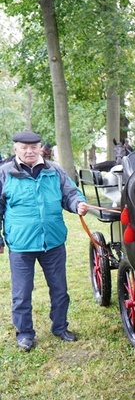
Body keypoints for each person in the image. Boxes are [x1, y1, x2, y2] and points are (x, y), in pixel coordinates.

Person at [0, 131, 90, 351]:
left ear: (40, 148)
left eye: (34, 147)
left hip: (53, 242)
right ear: (16, 149)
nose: (29, 151)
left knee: (60, 289)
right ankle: (25, 334)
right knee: (21, 294)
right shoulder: (4, 173)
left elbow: (70, 193)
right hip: (21, 245)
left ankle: (60, 327)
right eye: (24, 147)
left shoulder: (54, 170)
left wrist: (77, 203)